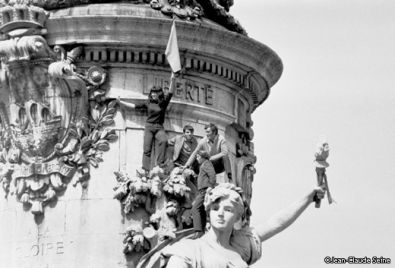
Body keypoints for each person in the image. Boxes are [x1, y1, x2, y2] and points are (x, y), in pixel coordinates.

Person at [156, 183, 326, 268]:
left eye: (228, 209)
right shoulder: (188, 250)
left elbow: (276, 223)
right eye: (215, 208)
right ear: (208, 212)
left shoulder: (241, 244)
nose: (220, 213)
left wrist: (307, 199)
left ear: (238, 215)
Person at [118, 73, 176, 173]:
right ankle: (145, 169)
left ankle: (160, 164)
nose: (153, 94)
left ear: (159, 94)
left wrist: (173, 79)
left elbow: (170, 92)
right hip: (149, 126)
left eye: (155, 93)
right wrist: (121, 102)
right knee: (147, 148)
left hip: (159, 127)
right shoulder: (148, 103)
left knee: (163, 141)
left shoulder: (162, 104)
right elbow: (134, 106)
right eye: (152, 93)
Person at [191, 150, 216, 235]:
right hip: (202, 190)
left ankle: (198, 231)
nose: (197, 158)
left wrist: (211, 186)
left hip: (205, 190)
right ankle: (201, 230)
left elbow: (212, 175)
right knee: (201, 210)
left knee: (195, 208)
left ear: (203, 157)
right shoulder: (204, 164)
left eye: (198, 157)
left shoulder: (206, 163)